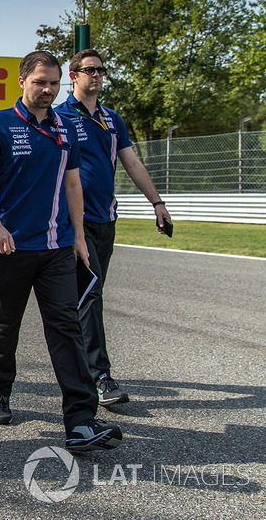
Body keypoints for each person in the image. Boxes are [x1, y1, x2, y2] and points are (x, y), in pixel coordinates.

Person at [0, 51, 122, 452]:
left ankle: (81, 420)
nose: (48, 90)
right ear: (22, 81)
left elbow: (74, 185)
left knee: (66, 329)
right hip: (10, 246)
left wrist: (78, 237)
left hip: (56, 247)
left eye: (53, 83)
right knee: (6, 322)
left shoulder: (64, 128)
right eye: (40, 82)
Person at [55, 49, 172, 406]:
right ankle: (99, 376)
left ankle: (73, 359)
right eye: (89, 70)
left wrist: (157, 203)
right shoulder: (58, 117)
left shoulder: (111, 118)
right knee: (90, 294)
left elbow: (132, 163)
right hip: (75, 221)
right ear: (73, 75)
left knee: (83, 297)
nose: (97, 75)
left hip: (107, 219)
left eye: (101, 70)